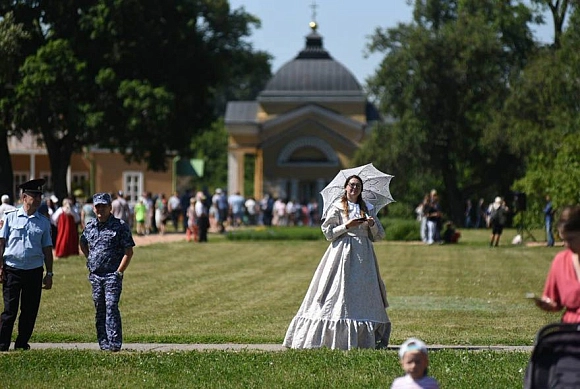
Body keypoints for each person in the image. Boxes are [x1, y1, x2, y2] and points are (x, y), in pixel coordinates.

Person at [283, 175, 391, 350]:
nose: (354, 188)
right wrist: (347, 225)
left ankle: (365, 338)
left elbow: (379, 235)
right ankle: (331, 338)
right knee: (340, 290)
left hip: (364, 254)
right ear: (346, 187)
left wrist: (371, 224)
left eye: (357, 185)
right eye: (351, 185)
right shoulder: (338, 207)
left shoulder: (368, 208)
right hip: (343, 251)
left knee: (363, 292)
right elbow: (328, 233)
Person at [0, 179, 54, 351]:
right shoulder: (10, 218)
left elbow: (47, 249)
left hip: (34, 271)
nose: (38, 199)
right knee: (10, 310)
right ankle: (2, 344)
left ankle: (22, 343)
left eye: (40, 195)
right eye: (35, 195)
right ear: (24, 197)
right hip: (12, 269)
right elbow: (1, 243)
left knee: (29, 311)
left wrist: (50, 273)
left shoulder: (44, 222)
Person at [79, 193, 135, 352]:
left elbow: (128, 251)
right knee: (100, 308)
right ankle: (103, 343)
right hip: (95, 276)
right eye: (97, 206)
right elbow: (82, 243)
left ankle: (114, 343)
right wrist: (89, 258)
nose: (100, 209)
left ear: (110, 207)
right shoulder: (90, 226)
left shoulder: (120, 226)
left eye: (104, 206)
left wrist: (119, 272)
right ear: (93, 208)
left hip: (112, 275)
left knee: (111, 306)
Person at [534, 205, 580, 323]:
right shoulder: (560, 261)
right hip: (572, 332)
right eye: (563, 239)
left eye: (571, 239)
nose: (566, 245)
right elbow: (555, 302)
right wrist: (547, 305)